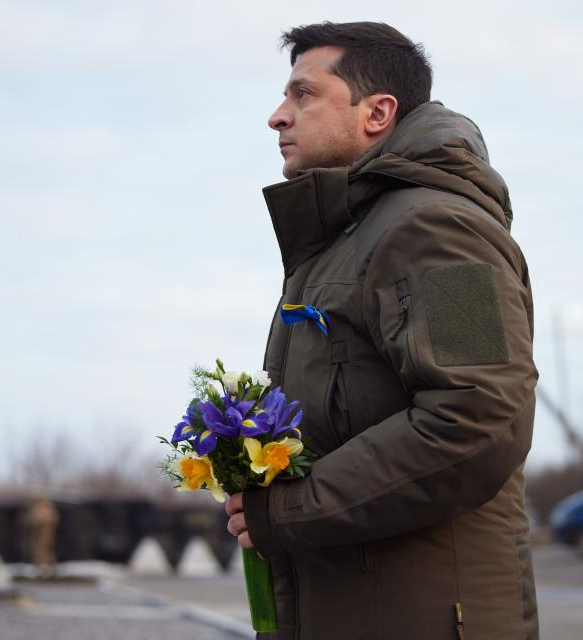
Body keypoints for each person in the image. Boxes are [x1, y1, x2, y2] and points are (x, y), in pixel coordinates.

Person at [225, 22, 538, 639]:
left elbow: (477, 415)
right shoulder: (342, 243)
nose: (277, 117)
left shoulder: (439, 231)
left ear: (378, 113)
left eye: (303, 95)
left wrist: (286, 511)